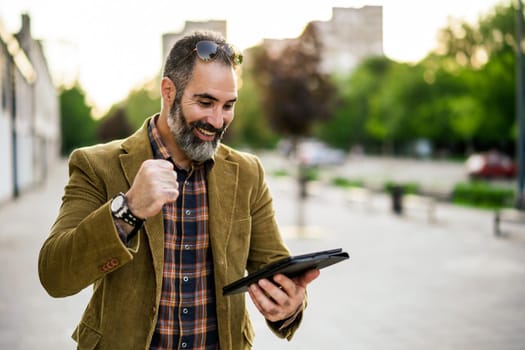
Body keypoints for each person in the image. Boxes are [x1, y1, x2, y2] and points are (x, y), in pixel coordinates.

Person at [38, 30, 320, 349]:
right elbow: (55, 275)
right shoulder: (96, 165)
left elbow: (274, 270)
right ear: (169, 91)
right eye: (205, 102)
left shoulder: (247, 172)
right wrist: (127, 211)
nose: (217, 120)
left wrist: (290, 304)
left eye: (228, 105)